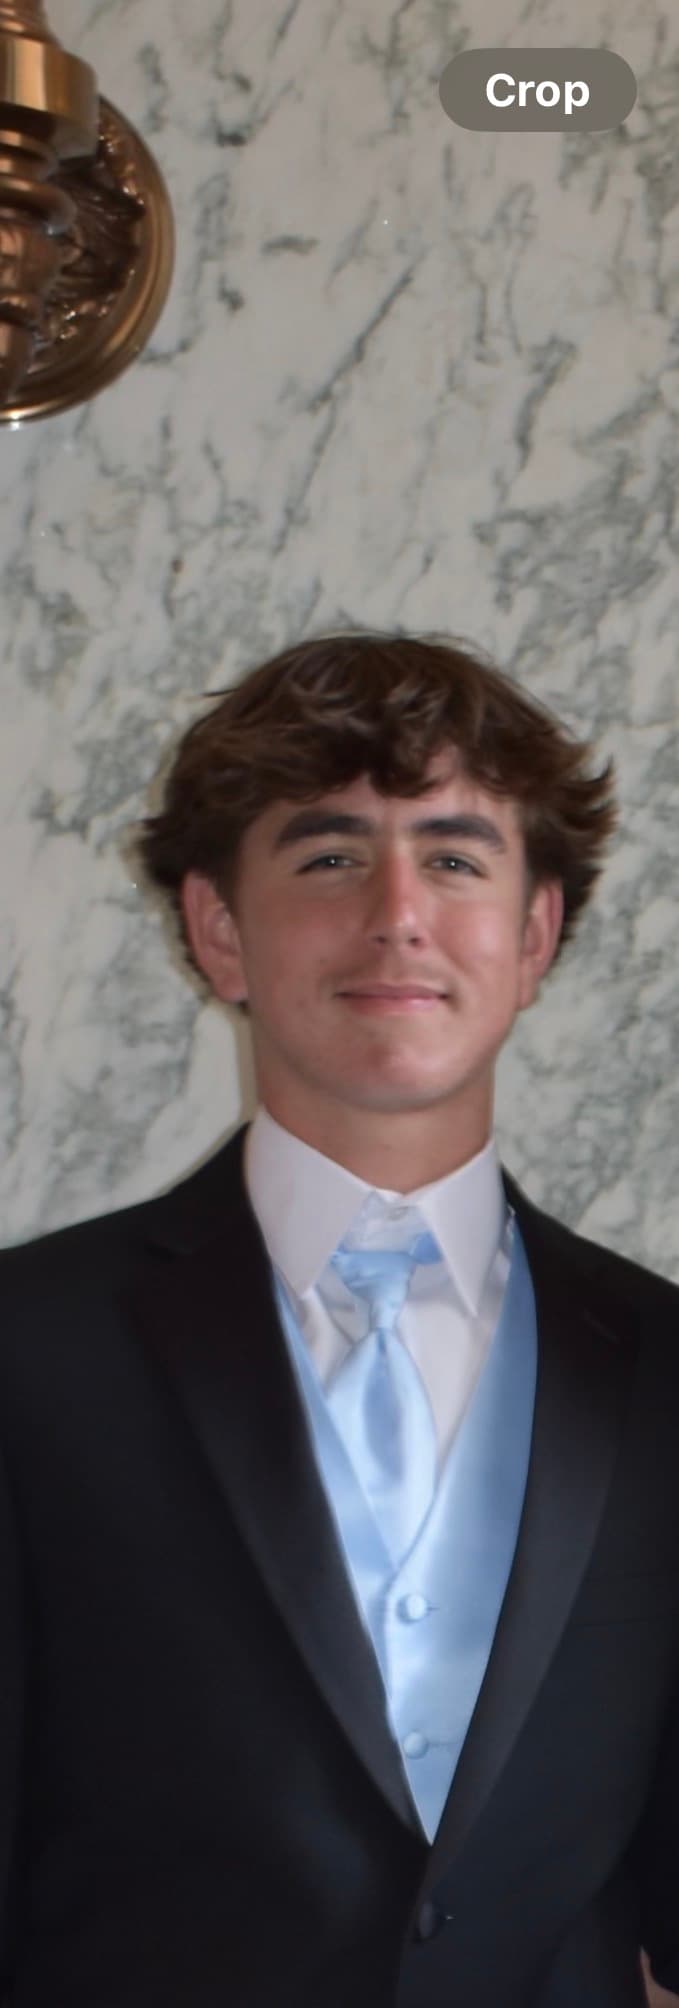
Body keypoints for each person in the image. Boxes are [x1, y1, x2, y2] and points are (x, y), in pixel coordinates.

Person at [0, 631, 677, 2008]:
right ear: (218, 931)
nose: (397, 913)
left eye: (456, 857)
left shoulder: (667, 1364)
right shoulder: (28, 1346)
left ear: (534, 935)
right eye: (327, 856)